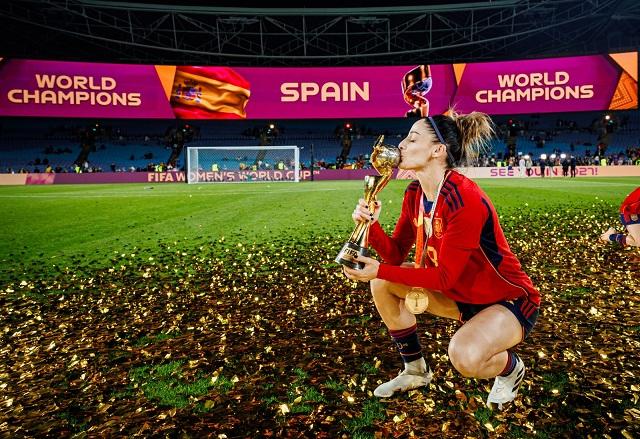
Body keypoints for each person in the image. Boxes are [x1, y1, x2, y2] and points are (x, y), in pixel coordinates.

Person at [343, 111, 541, 410]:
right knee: (384, 282)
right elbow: (396, 253)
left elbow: (445, 277)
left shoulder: (465, 198)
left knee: (465, 356)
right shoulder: (415, 193)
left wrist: (377, 269)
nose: (402, 145)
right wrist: (370, 225)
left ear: (438, 151)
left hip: (507, 301)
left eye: (412, 138)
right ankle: (416, 371)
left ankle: (511, 369)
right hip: (461, 297)